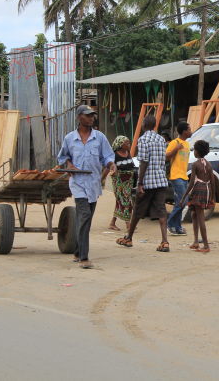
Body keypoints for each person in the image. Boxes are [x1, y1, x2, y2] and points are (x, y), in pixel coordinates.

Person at [58, 105, 116, 269]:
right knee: (84, 215)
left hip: (93, 183)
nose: (91, 118)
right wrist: (70, 165)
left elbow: (108, 157)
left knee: (87, 220)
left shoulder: (99, 138)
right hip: (77, 183)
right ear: (79, 117)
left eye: (92, 116)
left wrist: (111, 165)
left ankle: (77, 251)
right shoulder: (70, 138)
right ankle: (84, 257)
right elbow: (63, 157)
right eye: (88, 115)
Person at [116, 115, 170, 251]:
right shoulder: (161, 140)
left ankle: (129, 238)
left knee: (138, 210)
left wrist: (140, 183)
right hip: (161, 180)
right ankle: (165, 242)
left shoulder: (143, 140)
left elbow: (144, 162)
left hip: (148, 182)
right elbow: (163, 161)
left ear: (144, 124)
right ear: (154, 125)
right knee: (161, 210)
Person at [182, 140, 215, 253]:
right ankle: (196, 242)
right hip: (206, 190)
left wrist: (184, 197)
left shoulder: (195, 164)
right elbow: (212, 181)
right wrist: (212, 196)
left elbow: (191, 183)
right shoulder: (209, 164)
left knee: (200, 217)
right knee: (194, 214)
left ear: (197, 151)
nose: (193, 152)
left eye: (194, 150)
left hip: (198, 190)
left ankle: (206, 246)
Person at [166, 121, 191, 236]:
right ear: (185, 131)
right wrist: (176, 148)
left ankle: (177, 227)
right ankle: (170, 224)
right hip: (176, 176)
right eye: (189, 129)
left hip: (184, 176)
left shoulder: (187, 144)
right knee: (182, 202)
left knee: (180, 202)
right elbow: (166, 156)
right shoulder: (174, 142)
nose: (191, 131)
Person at [105, 136, 134, 232]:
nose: (129, 145)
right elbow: (107, 168)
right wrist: (101, 179)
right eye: (127, 143)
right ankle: (128, 225)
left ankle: (112, 223)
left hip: (128, 182)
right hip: (119, 182)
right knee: (126, 202)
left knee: (120, 202)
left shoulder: (128, 153)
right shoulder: (114, 155)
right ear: (120, 145)